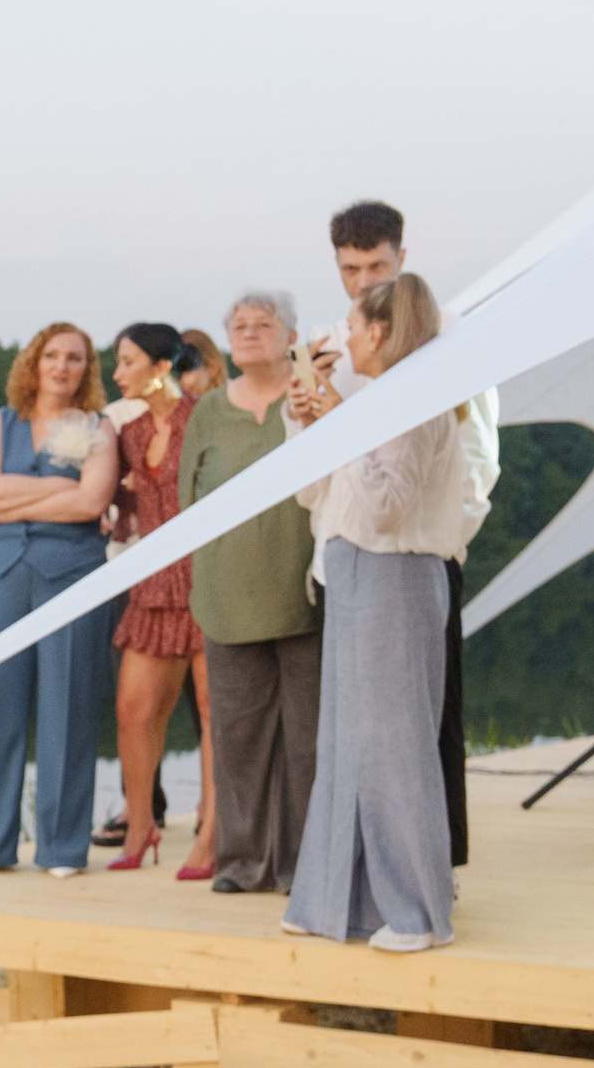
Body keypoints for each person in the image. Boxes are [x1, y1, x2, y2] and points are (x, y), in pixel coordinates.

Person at [293, 200, 497, 865]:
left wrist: (444, 543)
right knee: (352, 728)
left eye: (375, 265)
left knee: (428, 721)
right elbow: (309, 480)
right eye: (350, 269)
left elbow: (477, 455)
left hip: (418, 557)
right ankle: (361, 868)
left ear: (401, 260)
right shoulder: (329, 344)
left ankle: (440, 866)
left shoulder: (450, 336)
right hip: (341, 559)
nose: (362, 282)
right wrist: (303, 419)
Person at [283, 274, 472, 951]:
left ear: (383, 331)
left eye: (354, 326)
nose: (346, 337)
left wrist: (338, 416)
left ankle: (420, 910)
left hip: (398, 573)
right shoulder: (374, 401)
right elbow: (314, 494)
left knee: (396, 748)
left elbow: (388, 503)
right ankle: (341, 902)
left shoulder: (418, 400)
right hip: (350, 568)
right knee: (346, 744)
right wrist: (308, 418)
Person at [0, 324, 122, 877]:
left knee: (69, 707)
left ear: (87, 369)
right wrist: (60, 488)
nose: (62, 366)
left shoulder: (99, 427)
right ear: (34, 362)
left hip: (73, 575)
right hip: (0, 575)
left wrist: (19, 497)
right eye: (52, 355)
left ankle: (61, 848)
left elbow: (93, 502)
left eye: (75, 358)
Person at [183, 292, 319, 894]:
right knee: (237, 739)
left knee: (307, 740)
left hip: (306, 592)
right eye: (238, 325)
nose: (249, 333)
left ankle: (302, 864)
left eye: (263, 324)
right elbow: (188, 504)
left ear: (290, 333)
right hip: (226, 598)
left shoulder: (312, 392)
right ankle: (241, 862)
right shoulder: (209, 411)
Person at [105, 323, 217, 877]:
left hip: (205, 580)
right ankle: (142, 824)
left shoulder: (203, 416)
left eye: (127, 362)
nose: (117, 373)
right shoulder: (127, 434)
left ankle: (212, 833)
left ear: (160, 367)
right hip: (153, 587)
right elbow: (131, 503)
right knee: (132, 710)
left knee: (212, 712)